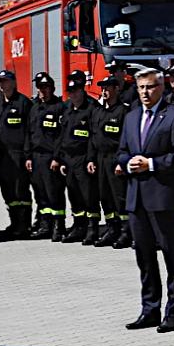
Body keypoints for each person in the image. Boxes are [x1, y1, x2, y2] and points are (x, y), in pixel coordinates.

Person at [116, 66, 174, 333]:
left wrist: (151, 164)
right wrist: (128, 163)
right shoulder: (131, 116)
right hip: (136, 198)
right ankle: (150, 309)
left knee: (171, 255)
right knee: (144, 257)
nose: (145, 92)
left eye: (150, 87)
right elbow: (122, 151)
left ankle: (173, 312)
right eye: (141, 88)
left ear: (162, 87)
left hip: (163, 197)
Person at [0, 70, 34, 238]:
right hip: (4, 155)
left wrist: (27, 154)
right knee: (7, 190)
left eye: (6, 81)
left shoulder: (23, 103)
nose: (3, 85)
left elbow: (30, 131)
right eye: (0, 82)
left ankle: (25, 225)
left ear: (14, 83)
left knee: (21, 190)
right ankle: (14, 223)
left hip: (19, 154)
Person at [58, 71, 100, 243]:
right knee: (74, 194)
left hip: (83, 158)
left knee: (88, 195)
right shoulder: (67, 109)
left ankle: (92, 228)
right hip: (69, 159)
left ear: (82, 90)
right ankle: (78, 225)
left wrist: (90, 159)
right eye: (70, 92)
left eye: (75, 91)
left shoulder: (91, 108)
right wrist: (62, 159)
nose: (73, 95)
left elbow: (93, 137)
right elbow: (62, 136)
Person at [89, 75, 131, 248]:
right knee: (105, 196)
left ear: (116, 89)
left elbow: (126, 139)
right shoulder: (98, 111)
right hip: (100, 159)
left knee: (119, 196)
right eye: (103, 88)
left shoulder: (123, 111)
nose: (104, 91)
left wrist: (122, 161)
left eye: (108, 87)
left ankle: (126, 231)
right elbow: (93, 137)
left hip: (115, 158)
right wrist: (91, 159)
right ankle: (112, 229)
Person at [28, 72, 67, 241]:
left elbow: (61, 136)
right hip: (36, 157)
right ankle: (45, 225)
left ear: (52, 88)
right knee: (40, 194)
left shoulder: (59, 107)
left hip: (51, 158)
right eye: (40, 87)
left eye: (45, 87)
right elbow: (29, 134)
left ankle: (59, 226)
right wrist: (28, 156)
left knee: (54, 193)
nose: (42, 90)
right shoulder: (34, 108)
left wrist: (57, 158)